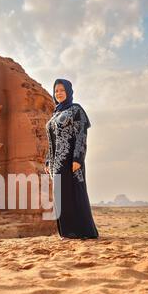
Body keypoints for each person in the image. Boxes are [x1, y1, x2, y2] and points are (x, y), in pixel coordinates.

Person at [44, 78, 99, 240]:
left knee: (75, 193)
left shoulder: (76, 110)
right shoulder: (56, 113)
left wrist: (78, 158)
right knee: (60, 196)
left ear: (68, 91)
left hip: (70, 160)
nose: (59, 93)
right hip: (56, 163)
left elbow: (81, 134)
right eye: (56, 91)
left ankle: (83, 231)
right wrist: (48, 161)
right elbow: (51, 140)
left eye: (62, 90)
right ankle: (67, 232)